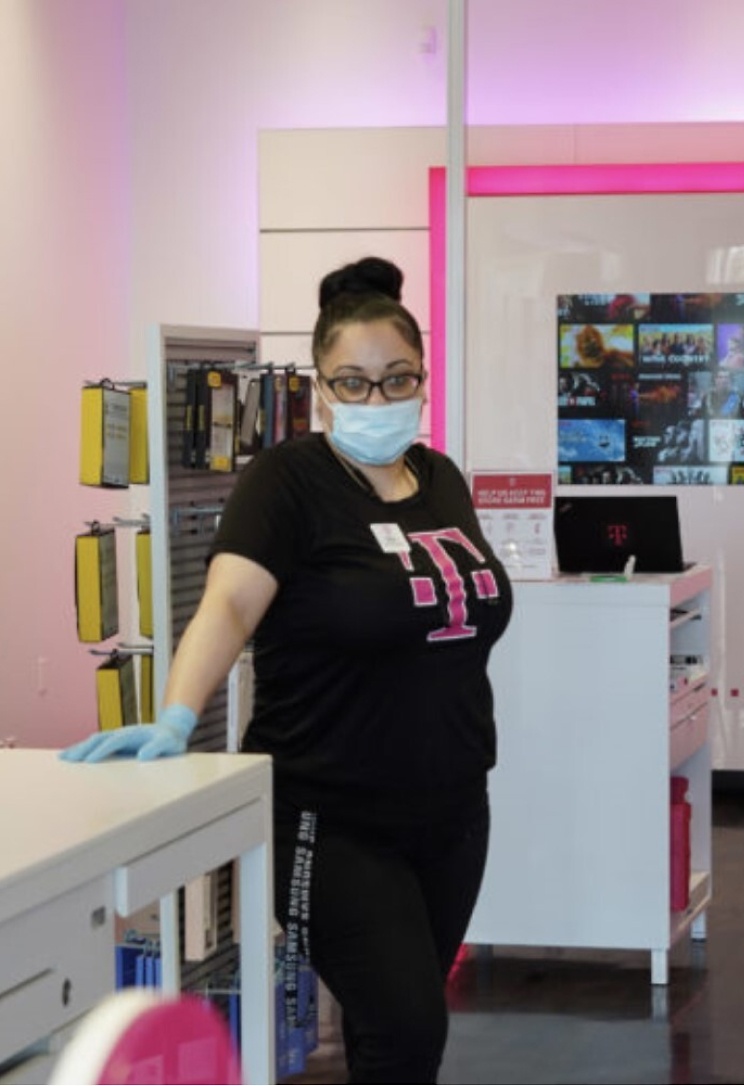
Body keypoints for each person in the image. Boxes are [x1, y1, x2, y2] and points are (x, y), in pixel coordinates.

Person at [62, 256, 513, 1084]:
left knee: (400, 1041)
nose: (378, 399)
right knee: (407, 1029)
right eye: (355, 381)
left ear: (422, 378)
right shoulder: (290, 481)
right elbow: (229, 606)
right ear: (322, 387)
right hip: (329, 817)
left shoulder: (439, 478)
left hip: (453, 809)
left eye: (396, 378)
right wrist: (175, 714)